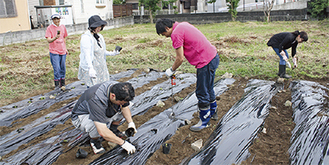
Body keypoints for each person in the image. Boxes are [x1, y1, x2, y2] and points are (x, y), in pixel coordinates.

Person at [155, 18, 220, 132]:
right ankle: (213, 113)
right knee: (208, 88)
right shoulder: (183, 25)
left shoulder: (175, 34)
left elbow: (180, 58)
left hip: (205, 62)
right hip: (213, 57)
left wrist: (171, 70)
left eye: (164, 34)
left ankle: (205, 121)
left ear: (167, 28)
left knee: (202, 91)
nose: (165, 36)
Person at [71, 81, 137, 154]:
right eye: (121, 102)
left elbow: (125, 107)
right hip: (82, 116)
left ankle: (113, 130)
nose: (122, 104)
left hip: (103, 109)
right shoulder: (96, 99)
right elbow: (102, 131)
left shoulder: (120, 89)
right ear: (113, 96)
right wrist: (123, 144)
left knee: (127, 106)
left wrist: (131, 123)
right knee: (94, 125)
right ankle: (95, 141)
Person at [78, 15, 120, 88]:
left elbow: (101, 52)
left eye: (100, 26)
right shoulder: (86, 38)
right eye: (96, 27)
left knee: (102, 87)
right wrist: (90, 68)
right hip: (92, 68)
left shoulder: (99, 37)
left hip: (101, 67)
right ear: (91, 27)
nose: (99, 28)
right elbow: (87, 54)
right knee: (93, 89)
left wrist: (112, 53)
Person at [45, 13, 68, 89]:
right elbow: (48, 40)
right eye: (55, 19)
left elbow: (64, 38)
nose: (56, 21)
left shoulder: (63, 27)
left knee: (63, 68)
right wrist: (55, 38)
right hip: (54, 51)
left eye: (57, 19)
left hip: (62, 51)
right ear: (53, 20)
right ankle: (57, 85)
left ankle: (63, 84)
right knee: (57, 68)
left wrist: (65, 48)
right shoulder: (49, 28)